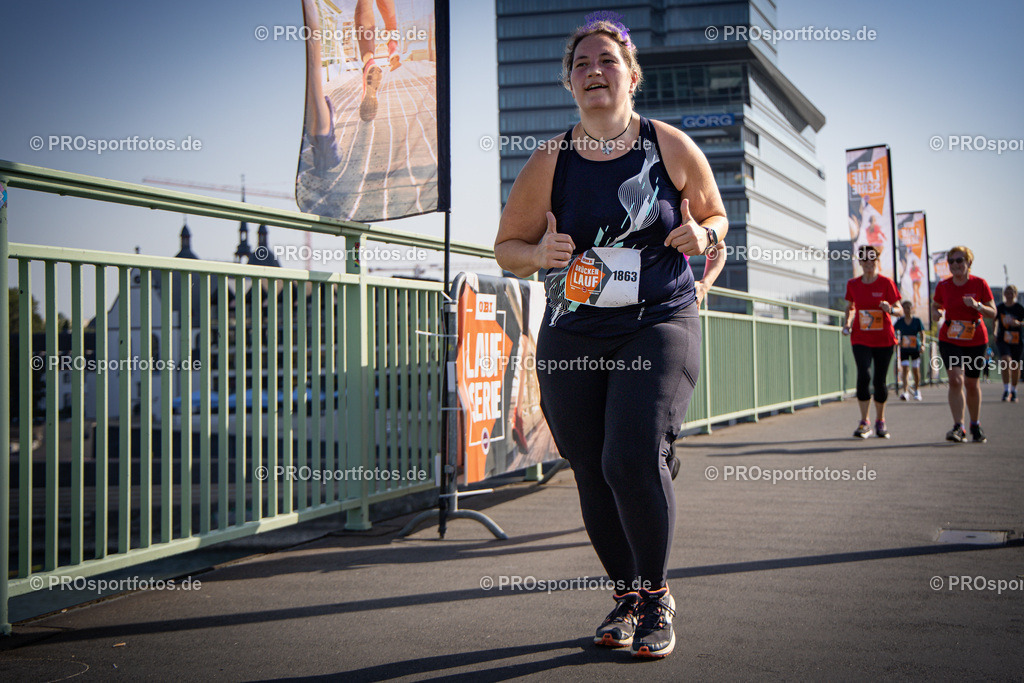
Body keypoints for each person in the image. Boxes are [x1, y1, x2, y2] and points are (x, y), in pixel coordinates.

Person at [494, 14, 727, 659]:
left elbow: (716, 215)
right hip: (573, 331)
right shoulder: (551, 160)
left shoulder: (669, 145)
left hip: (658, 320)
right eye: (582, 64)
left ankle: (655, 598)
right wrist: (539, 254)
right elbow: (505, 249)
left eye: (607, 61)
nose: (594, 72)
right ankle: (625, 595)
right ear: (569, 82)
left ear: (631, 75)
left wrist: (702, 236)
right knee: (593, 468)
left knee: (629, 455)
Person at [931, 246, 997, 442]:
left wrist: (977, 306)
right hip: (950, 338)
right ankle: (958, 426)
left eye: (959, 260)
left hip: (975, 339)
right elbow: (936, 306)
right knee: (955, 380)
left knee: (971, 383)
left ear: (969, 262)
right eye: (951, 261)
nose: (955, 265)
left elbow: (993, 312)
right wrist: (936, 313)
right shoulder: (943, 286)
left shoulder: (980, 284)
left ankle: (975, 424)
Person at [842, 245, 902, 438]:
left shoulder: (886, 283)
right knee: (864, 376)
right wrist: (847, 323)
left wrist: (890, 309)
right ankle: (864, 421)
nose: (869, 263)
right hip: (860, 337)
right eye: (865, 260)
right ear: (860, 262)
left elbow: (899, 309)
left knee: (879, 381)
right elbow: (850, 307)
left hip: (884, 339)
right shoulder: (853, 284)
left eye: (872, 259)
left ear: (877, 261)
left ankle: (880, 420)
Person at [995, 284, 1024, 401]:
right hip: (1004, 338)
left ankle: (1014, 390)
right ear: (1004, 295)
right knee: (1006, 360)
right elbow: (995, 320)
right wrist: (995, 333)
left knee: (1015, 365)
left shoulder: (1019, 308)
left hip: (1017, 339)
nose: (1009, 295)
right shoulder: (1000, 307)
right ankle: (1006, 389)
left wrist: (1019, 323)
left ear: (1015, 294)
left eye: (1012, 292)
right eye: (1007, 292)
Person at [894, 300, 924, 401]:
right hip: (904, 349)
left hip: (915, 348)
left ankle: (917, 390)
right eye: (905, 308)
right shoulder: (900, 322)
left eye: (908, 307)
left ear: (912, 309)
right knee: (905, 369)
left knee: (915, 370)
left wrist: (923, 344)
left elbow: (922, 333)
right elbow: (893, 330)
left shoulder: (917, 321)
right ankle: (905, 391)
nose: (907, 310)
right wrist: (897, 341)